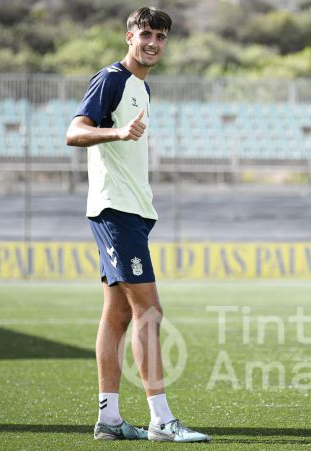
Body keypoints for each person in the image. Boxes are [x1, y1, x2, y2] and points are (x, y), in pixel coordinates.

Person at [66, 7, 209, 443]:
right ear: (129, 35)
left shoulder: (142, 87)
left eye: (161, 37)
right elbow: (75, 131)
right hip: (115, 212)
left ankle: (109, 420)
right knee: (150, 311)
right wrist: (117, 133)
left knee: (119, 316)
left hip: (133, 213)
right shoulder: (111, 79)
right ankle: (162, 421)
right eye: (146, 34)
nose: (153, 43)